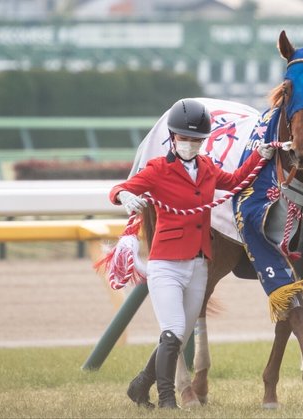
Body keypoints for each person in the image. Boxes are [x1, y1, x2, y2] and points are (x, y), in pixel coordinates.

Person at [111, 98, 274, 409]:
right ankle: (168, 399)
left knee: (179, 336)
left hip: (199, 264)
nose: (189, 144)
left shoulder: (208, 169)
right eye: (184, 138)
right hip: (167, 264)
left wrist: (259, 157)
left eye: (196, 140)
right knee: (172, 334)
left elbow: (236, 181)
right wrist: (125, 195)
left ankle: (140, 385)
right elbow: (122, 187)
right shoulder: (158, 169)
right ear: (173, 138)